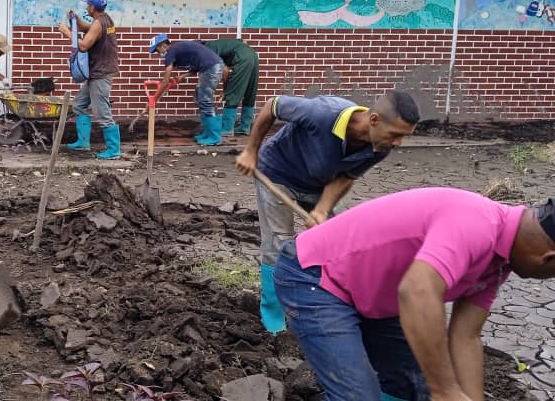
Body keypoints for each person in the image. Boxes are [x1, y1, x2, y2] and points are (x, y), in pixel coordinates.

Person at [274, 188, 555, 401]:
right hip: (315, 276)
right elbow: (417, 292)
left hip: (376, 295)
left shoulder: (500, 263)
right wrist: (446, 390)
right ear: (548, 258)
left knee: (412, 385)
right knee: (358, 396)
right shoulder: (477, 225)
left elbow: (465, 336)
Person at [234, 91, 419, 335]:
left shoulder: (380, 147)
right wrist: (250, 151)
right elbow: (272, 106)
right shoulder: (322, 113)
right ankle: (273, 318)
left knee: (337, 243)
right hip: (277, 174)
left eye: (403, 137)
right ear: (374, 119)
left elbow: (347, 176)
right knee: (278, 243)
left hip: (319, 185)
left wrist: (322, 209)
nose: (398, 143)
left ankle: (329, 307)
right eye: (395, 135)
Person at [56, 0, 120, 160]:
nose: (86, 7)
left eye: (87, 5)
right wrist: (75, 20)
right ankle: (83, 142)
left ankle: (114, 150)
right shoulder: (105, 19)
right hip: (97, 71)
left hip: (100, 73)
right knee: (79, 104)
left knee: (102, 112)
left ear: (92, 7)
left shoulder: (99, 23)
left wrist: (66, 32)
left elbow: (83, 46)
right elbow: (87, 29)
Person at [149, 34, 225, 146]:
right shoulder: (178, 49)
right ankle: (207, 133)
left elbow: (165, 81)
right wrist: (183, 76)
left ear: (164, 45)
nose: (158, 53)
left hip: (211, 68)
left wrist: (155, 98)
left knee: (205, 100)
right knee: (200, 97)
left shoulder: (171, 52)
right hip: (210, 67)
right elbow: (197, 63)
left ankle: (214, 137)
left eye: (157, 50)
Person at [202, 38, 259, 136]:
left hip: (242, 58)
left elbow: (225, 71)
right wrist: (225, 91)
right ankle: (245, 127)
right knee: (250, 92)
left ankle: (227, 129)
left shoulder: (209, 49)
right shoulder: (222, 44)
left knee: (233, 95)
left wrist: (225, 91)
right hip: (253, 55)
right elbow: (244, 41)